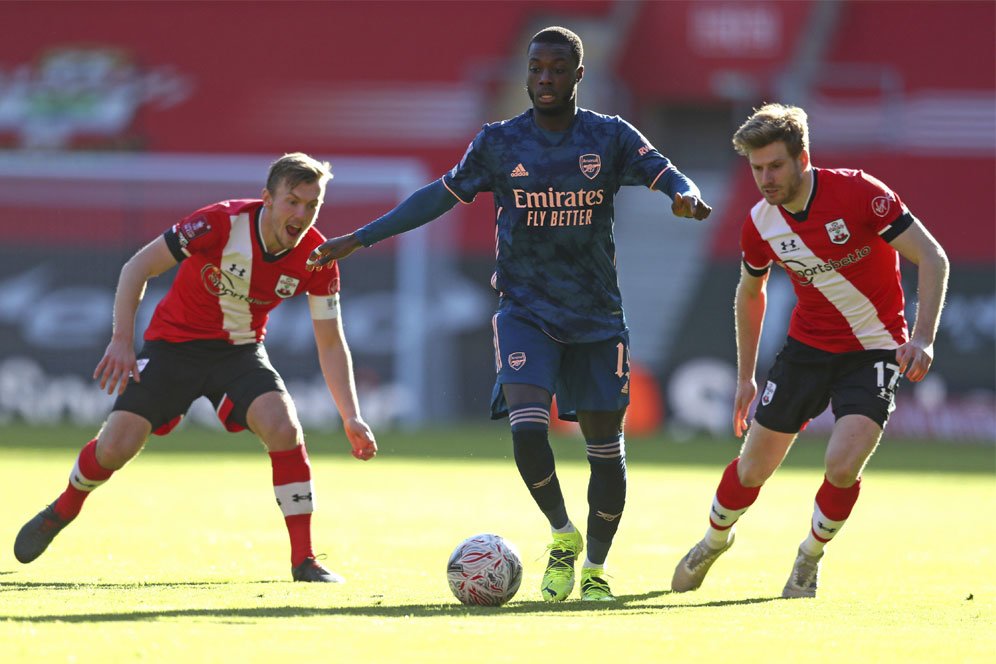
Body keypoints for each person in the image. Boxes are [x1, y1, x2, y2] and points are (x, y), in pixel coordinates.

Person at [307, 26, 712, 602]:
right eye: (535, 68)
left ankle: (594, 567)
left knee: (605, 450)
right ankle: (563, 535)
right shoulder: (499, 142)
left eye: (556, 69)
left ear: (578, 75)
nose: (543, 78)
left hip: (596, 316)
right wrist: (362, 237)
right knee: (527, 430)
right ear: (526, 74)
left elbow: (669, 172)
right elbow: (438, 195)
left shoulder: (608, 135)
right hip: (525, 308)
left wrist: (686, 195)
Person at [14, 152, 378, 583]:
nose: (301, 214)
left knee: (283, 426)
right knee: (115, 447)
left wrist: (351, 415)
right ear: (267, 199)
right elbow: (137, 268)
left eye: (312, 205)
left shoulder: (319, 257)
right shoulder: (218, 223)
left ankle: (305, 561)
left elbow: (331, 342)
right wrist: (121, 340)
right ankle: (64, 509)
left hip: (239, 353)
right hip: (173, 347)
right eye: (292, 202)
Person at [671, 103, 949, 598]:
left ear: (802, 158)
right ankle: (714, 541)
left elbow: (932, 256)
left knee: (843, 466)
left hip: (876, 349)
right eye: (756, 169)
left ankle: (809, 557)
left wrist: (923, 336)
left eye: (775, 165)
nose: (765, 178)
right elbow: (749, 293)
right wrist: (745, 377)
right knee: (752, 468)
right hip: (807, 350)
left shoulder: (861, 193)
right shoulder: (760, 224)